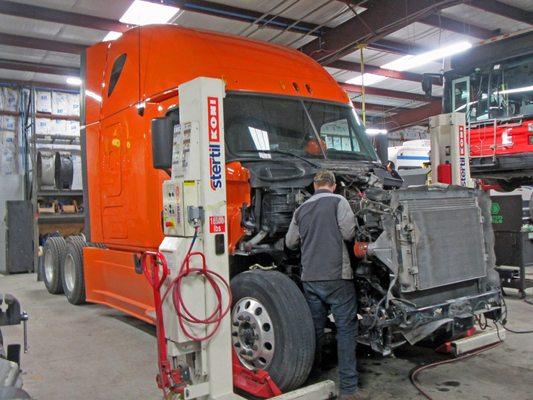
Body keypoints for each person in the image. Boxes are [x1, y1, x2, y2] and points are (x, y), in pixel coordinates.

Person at [285, 170, 368, 400]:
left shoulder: (301, 209)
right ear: (333, 185)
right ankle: (349, 389)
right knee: (346, 330)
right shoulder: (339, 201)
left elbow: (290, 243)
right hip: (337, 278)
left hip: (310, 278)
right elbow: (349, 233)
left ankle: (313, 378)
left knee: (315, 329)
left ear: (314, 185)